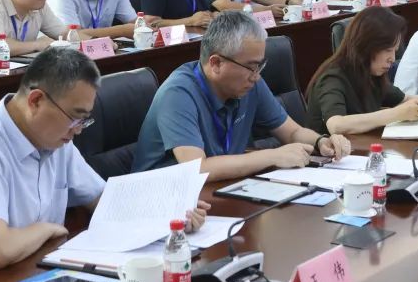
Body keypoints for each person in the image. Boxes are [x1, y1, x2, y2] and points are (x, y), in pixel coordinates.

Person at [0, 47, 210, 282]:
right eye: (75, 117)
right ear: (36, 100)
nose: (79, 129)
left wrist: (170, 213)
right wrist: (46, 229)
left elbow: (107, 202)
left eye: (84, 119)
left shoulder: (55, 140)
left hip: (32, 273)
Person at [132, 11, 352, 181]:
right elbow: (197, 169)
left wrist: (320, 141)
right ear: (216, 63)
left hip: (221, 190)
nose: (257, 76)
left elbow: (292, 132)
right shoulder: (178, 93)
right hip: (162, 201)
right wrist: (273, 155)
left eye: (260, 66)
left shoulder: (249, 83)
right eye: (251, 67)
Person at [304, 7, 418, 135]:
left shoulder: (371, 73)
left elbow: (404, 99)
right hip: (329, 156)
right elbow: (336, 125)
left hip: (362, 148)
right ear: (367, 46)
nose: (392, 59)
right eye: (388, 50)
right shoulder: (333, 77)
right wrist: (395, 114)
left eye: (394, 51)